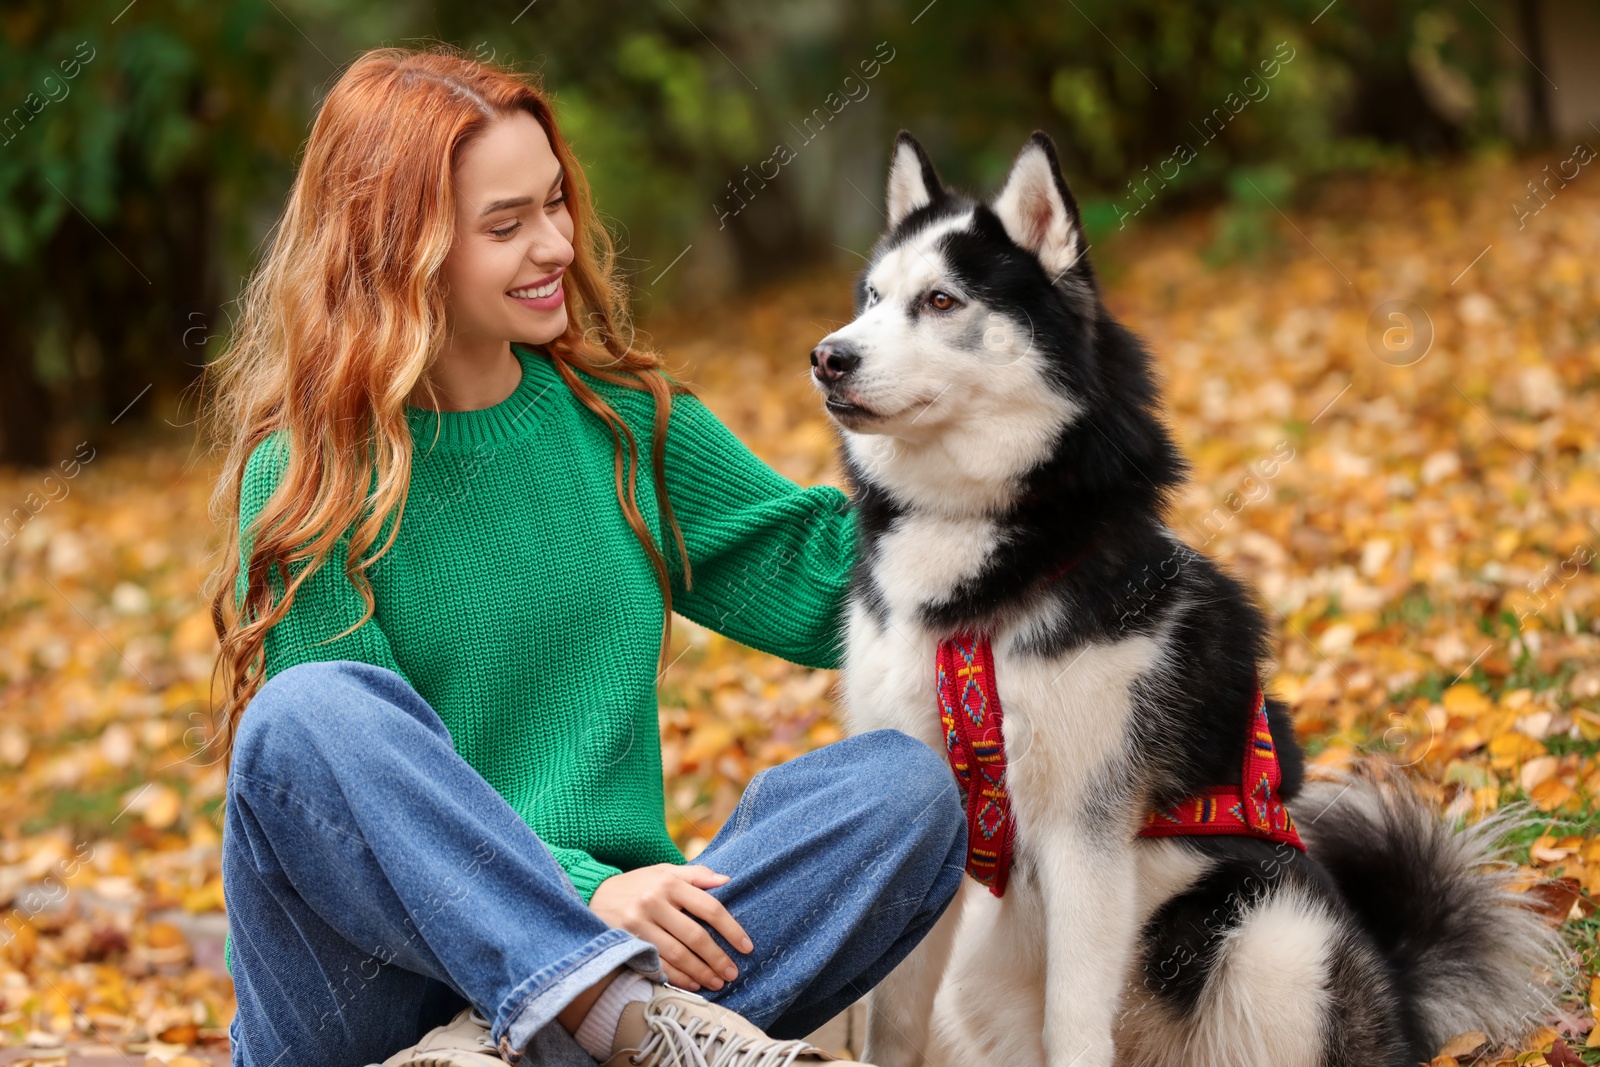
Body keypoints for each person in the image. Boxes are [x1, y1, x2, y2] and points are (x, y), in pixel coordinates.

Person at [203, 44, 967, 1067]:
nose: (556, 243)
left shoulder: (621, 424)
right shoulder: (309, 475)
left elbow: (830, 572)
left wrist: (1035, 500)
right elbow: (355, 804)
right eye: (506, 225)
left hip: (625, 962)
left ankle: (545, 1030)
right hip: (367, 1009)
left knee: (900, 791)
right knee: (306, 714)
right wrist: (584, 889)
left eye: (555, 204)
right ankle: (597, 1014)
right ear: (398, 248)